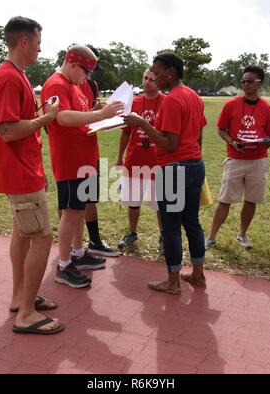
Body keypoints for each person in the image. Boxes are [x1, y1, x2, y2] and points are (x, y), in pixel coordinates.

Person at [0, 16, 64, 334]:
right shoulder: (7, 78)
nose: (39, 47)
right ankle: (27, 314)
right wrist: (46, 118)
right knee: (42, 238)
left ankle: (21, 298)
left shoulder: (16, 75)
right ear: (24, 42)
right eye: (37, 41)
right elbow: (6, 130)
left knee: (23, 234)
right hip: (19, 173)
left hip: (24, 171)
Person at [41, 44, 124, 288]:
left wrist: (100, 113)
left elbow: (80, 115)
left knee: (80, 210)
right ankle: (64, 264)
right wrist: (100, 115)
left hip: (85, 158)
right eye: (86, 71)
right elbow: (62, 117)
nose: (88, 77)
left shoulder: (75, 86)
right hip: (71, 161)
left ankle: (78, 253)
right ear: (73, 65)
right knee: (71, 212)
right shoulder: (57, 84)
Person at [124, 53, 207, 294]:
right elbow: (199, 134)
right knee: (192, 222)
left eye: (157, 73)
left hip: (173, 168)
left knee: (170, 227)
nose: (155, 78)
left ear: (170, 72)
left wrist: (142, 123)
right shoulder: (193, 96)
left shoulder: (172, 100)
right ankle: (198, 275)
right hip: (194, 164)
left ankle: (173, 281)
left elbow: (170, 143)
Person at [205, 65, 270, 251]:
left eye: (250, 81)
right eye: (243, 81)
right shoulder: (231, 105)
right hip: (235, 158)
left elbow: (269, 138)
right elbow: (221, 129)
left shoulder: (268, 109)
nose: (246, 84)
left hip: (258, 160)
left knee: (251, 200)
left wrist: (263, 142)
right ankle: (211, 237)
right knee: (225, 200)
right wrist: (232, 141)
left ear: (259, 83)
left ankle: (242, 234)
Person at [116, 68, 166, 254]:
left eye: (152, 79)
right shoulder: (135, 102)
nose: (147, 82)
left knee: (159, 204)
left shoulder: (166, 103)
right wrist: (119, 157)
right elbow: (125, 133)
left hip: (157, 162)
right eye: (145, 78)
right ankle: (132, 232)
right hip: (134, 160)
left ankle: (163, 236)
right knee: (133, 202)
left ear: (159, 81)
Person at [79, 44, 120, 257]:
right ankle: (71, 246)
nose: (90, 73)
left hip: (90, 148)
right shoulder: (63, 85)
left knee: (90, 198)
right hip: (72, 152)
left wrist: (104, 115)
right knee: (69, 203)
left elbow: (91, 113)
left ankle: (94, 240)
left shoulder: (92, 85)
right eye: (87, 69)